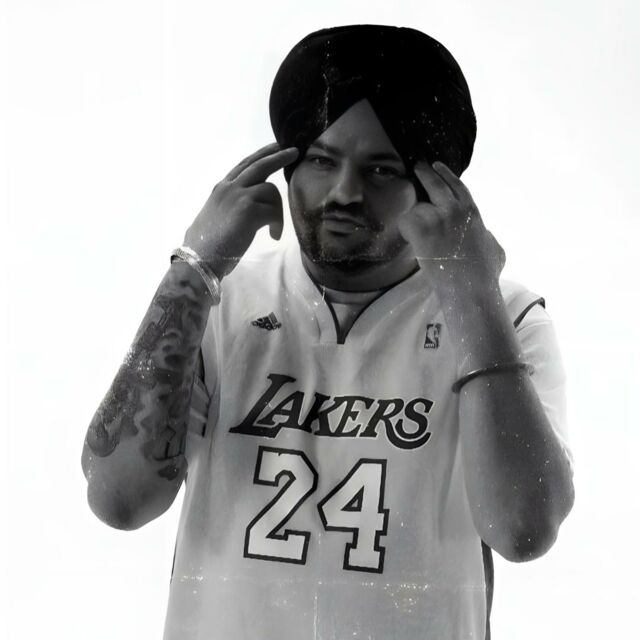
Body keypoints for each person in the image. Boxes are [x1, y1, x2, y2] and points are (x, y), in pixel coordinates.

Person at [81, 25, 574, 640]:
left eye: (381, 169)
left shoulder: (504, 315)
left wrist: (472, 295)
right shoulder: (219, 298)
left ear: (435, 188)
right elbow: (118, 500)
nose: (344, 192)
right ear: (286, 166)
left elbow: (524, 530)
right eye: (321, 160)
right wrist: (193, 270)